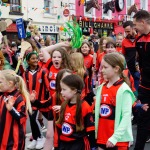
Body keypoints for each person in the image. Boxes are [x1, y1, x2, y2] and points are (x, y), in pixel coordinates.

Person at [95, 52, 135, 150]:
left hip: (118, 141)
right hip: (102, 138)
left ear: (116, 69)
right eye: (101, 67)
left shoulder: (124, 90)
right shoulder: (101, 88)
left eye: (105, 67)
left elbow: (126, 116)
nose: (102, 70)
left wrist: (115, 137)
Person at [56, 74, 95, 150]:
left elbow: (91, 131)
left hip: (78, 144)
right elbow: (59, 129)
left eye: (64, 89)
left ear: (74, 91)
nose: (61, 92)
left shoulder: (85, 106)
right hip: (64, 144)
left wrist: (93, 146)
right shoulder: (64, 105)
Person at [23, 52, 51, 150]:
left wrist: (50, 97)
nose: (35, 60)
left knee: (41, 118)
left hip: (41, 100)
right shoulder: (25, 73)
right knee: (32, 119)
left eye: (36, 58)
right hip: (30, 101)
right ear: (27, 61)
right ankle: (36, 138)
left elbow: (48, 86)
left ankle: (41, 137)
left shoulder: (42, 71)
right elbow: (24, 88)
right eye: (33, 59)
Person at [0, 69, 32, 150]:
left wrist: (11, 110)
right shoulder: (2, 96)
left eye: (0, 82)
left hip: (14, 141)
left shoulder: (19, 98)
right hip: (2, 137)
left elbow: (22, 118)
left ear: (10, 83)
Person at [133, 10, 150, 150]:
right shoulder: (138, 40)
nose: (135, 28)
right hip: (145, 87)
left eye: (135, 25)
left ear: (143, 22)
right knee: (143, 121)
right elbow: (139, 61)